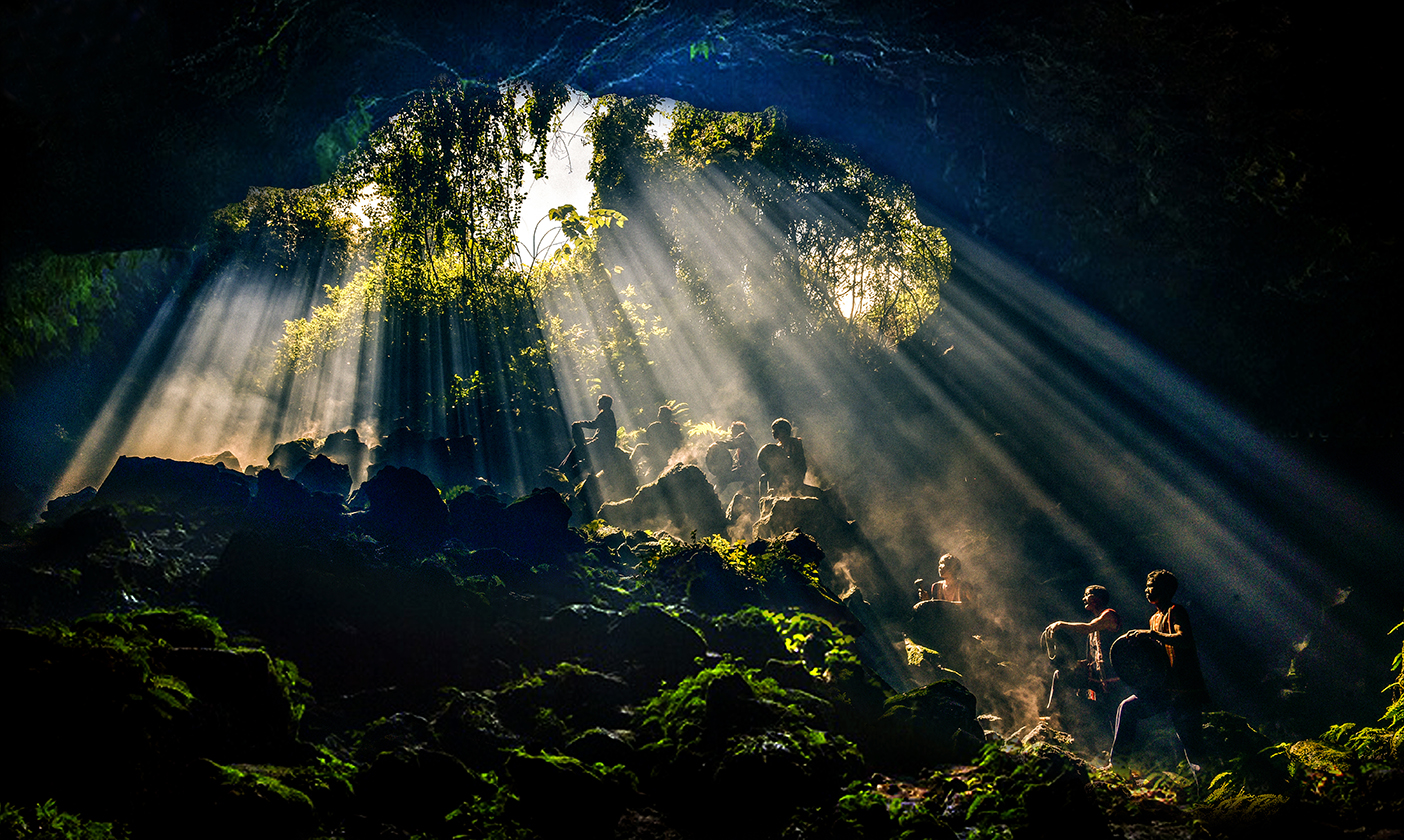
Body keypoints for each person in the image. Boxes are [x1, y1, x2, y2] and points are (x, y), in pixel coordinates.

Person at [1109, 569, 1209, 771]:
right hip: (1163, 690)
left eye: (1151, 587)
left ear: (1164, 590)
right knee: (1128, 708)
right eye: (1146, 587)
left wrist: (1151, 635)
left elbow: (1184, 639)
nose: (1146, 590)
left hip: (1184, 691)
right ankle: (1118, 765)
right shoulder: (1154, 618)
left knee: (1193, 748)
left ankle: (1210, 795)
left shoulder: (1176, 611)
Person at [1044, 585, 1122, 702]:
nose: (1083, 599)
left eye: (1087, 595)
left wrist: (1061, 624)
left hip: (1114, 680)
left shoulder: (1109, 615)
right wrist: (1075, 663)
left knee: (1112, 711)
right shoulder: (1095, 626)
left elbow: (1088, 628)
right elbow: (1091, 660)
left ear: (1098, 598)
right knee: (1060, 674)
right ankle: (1053, 714)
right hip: (1099, 680)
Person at [559, 394, 618, 473]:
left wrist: (580, 424)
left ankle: (561, 470)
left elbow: (593, 424)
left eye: (600, 402)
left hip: (602, 444)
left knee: (576, 450)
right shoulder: (608, 413)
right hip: (603, 442)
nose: (598, 404)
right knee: (580, 447)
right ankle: (562, 469)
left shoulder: (605, 413)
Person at [759, 418, 806, 495]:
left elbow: (798, 463)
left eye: (776, 430)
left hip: (793, 474)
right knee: (764, 478)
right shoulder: (778, 446)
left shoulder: (794, 443)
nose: (774, 432)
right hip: (783, 473)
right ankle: (764, 500)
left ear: (784, 431)